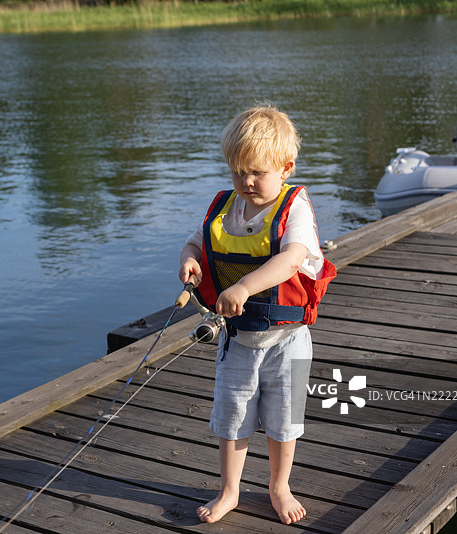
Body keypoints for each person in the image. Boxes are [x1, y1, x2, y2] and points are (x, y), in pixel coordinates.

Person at [178, 104, 336, 525]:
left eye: (256, 172)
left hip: (287, 337)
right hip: (238, 339)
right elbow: (197, 241)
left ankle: (278, 486)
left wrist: (245, 285)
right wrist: (190, 259)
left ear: (286, 168)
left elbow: (291, 262)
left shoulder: (294, 210)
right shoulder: (227, 208)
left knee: (284, 420)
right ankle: (230, 490)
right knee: (232, 416)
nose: (245, 182)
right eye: (237, 172)